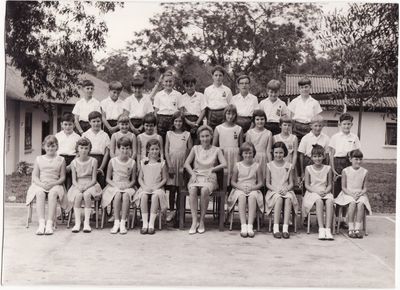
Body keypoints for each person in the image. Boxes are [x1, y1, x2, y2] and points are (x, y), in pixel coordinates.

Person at [184, 125, 227, 234]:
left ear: (211, 136)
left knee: (204, 190)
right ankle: (194, 221)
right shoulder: (195, 148)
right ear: (199, 137)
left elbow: (224, 163)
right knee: (192, 190)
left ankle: (202, 220)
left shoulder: (217, 150)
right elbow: (186, 164)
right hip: (197, 176)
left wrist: (213, 168)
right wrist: (192, 174)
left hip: (210, 177)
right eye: (202, 136)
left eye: (207, 136)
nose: (205, 139)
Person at [26, 135, 66, 235]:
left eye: (53, 146)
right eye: (48, 146)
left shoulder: (61, 159)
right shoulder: (39, 159)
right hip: (41, 184)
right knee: (40, 193)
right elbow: (35, 176)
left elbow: (62, 178)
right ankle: (41, 223)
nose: (50, 148)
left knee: (52, 193)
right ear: (43, 146)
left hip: (55, 184)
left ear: (57, 147)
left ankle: (49, 223)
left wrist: (53, 183)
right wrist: (41, 184)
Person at [228, 142, 263, 238]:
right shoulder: (238, 165)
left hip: (253, 188)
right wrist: (241, 187)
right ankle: (243, 225)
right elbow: (233, 182)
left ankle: (250, 225)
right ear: (242, 154)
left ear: (253, 153)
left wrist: (252, 188)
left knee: (252, 197)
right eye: (245, 153)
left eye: (250, 153)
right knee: (241, 197)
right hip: (240, 188)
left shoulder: (257, 166)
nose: (248, 155)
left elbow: (260, 183)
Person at [102, 136, 136, 234]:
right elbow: (108, 178)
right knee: (117, 195)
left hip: (127, 185)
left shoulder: (132, 162)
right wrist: (116, 185)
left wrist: (128, 186)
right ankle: (116, 222)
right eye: (122, 148)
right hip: (114, 185)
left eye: (127, 148)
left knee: (125, 196)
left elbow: (133, 180)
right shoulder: (112, 161)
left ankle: (123, 222)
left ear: (130, 149)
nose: (125, 151)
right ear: (118, 148)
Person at [132, 139, 168, 235]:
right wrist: (144, 187)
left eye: (157, 149)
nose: (154, 151)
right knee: (143, 196)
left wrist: (157, 187)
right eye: (152, 149)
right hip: (145, 187)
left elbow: (164, 179)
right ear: (148, 150)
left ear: (160, 150)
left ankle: (151, 224)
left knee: (155, 196)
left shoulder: (162, 163)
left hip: (157, 187)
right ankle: (145, 224)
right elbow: (140, 178)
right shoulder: (144, 162)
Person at [67, 138, 102, 233]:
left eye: (86, 148)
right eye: (81, 148)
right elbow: (74, 180)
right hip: (78, 184)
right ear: (77, 149)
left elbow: (94, 179)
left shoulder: (93, 161)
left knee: (86, 195)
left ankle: (87, 223)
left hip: (91, 184)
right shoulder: (74, 162)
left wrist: (86, 187)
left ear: (89, 149)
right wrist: (78, 187)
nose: (83, 150)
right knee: (78, 196)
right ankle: (77, 223)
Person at [335, 149, 371, 239]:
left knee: (361, 204)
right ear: (350, 159)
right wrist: (352, 194)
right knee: (352, 203)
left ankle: (357, 229)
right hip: (347, 193)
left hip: (360, 194)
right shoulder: (345, 171)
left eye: (360, 159)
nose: (358, 161)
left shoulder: (365, 172)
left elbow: (365, 188)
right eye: (356, 159)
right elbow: (343, 187)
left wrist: (360, 193)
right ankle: (351, 228)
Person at [265, 142, 298, 239]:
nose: (278, 155)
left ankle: (285, 228)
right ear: (273, 153)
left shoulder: (289, 165)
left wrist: (286, 189)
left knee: (288, 199)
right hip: (273, 191)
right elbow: (267, 183)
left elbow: (291, 183)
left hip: (286, 190)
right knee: (279, 199)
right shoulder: (269, 165)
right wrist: (276, 190)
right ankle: (276, 228)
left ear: (285, 153)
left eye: (280, 153)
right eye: (276, 153)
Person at [165, 111, 193, 224]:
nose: (178, 123)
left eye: (180, 121)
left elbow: (190, 151)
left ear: (183, 122)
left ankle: (179, 211)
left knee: (180, 189)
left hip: (182, 165)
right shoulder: (169, 134)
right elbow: (166, 151)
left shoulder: (187, 134)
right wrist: (169, 165)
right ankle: (171, 210)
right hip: (171, 164)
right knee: (172, 189)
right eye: (176, 121)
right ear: (173, 122)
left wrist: (185, 165)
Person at [302, 145, 334, 240]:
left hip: (325, 191)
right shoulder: (308, 168)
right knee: (319, 201)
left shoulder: (328, 168)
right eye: (315, 156)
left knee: (329, 201)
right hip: (312, 192)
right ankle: (321, 228)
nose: (317, 158)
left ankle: (327, 229)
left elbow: (329, 185)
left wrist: (325, 191)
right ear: (311, 157)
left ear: (324, 156)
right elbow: (307, 185)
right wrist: (316, 192)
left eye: (320, 156)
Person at [329, 113, 361, 198]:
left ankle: (347, 204)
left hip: (350, 162)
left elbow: (357, 153)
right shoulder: (335, 137)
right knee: (337, 185)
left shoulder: (355, 137)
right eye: (344, 124)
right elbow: (331, 154)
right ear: (340, 124)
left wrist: (356, 165)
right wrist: (333, 169)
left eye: (348, 124)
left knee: (349, 184)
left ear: (351, 124)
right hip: (338, 162)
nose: (346, 126)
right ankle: (336, 205)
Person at [212, 104, 243, 186]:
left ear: (235, 115)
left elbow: (241, 146)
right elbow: (214, 146)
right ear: (225, 114)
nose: (230, 116)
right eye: (228, 113)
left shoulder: (238, 128)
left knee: (234, 175)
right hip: (223, 155)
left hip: (235, 155)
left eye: (233, 114)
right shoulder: (218, 128)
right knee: (223, 175)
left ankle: (232, 194)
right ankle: (223, 194)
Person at [287, 77, 322, 142]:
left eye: (306, 87)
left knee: (308, 147)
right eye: (302, 87)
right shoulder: (295, 101)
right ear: (299, 88)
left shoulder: (315, 102)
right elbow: (290, 117)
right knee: (296, 146)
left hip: (309, 128)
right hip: (296, 128)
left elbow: (317, 119)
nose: (304, 89)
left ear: (310, 87)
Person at [82, 111, 110, 188]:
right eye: (93, 121)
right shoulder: (85, 134)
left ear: (101, 121)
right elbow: (81, 151)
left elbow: (107, 153)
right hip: (88, 160)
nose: (96, 124)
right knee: (88, 182)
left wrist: (101, 167)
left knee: (99, 183)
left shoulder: (105, 135)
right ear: (89, 122)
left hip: (100, 160)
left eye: (98, 121)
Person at [298, 115, 330, 181]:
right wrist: (302, 172)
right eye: (315, 126)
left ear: (323, 126)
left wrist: (326, 169)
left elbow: (327, 155)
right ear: (311, 126)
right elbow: (301, 155)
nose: (318, 128)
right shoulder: (305, 138)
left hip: (321, 163)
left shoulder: (326, 138)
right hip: (308, 162)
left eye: (320, 126)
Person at [153, 71, 182, 141]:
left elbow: (180, 111)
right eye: (166, 81)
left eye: (170, 81)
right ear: (162, 82)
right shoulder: (158, 95)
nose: (168, 83)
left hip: (173, 121)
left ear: (173, 82)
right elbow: (155, 113)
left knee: (172, 141)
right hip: (161, 121)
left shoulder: (178, 95)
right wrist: (155, 127)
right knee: (161, 141)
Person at [55, 112, 80, 190]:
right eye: (65, 124)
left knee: (70, 181)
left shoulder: (77, 137)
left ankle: (69, 195)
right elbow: (55, 151)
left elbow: (78, 153)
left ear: (74, 125)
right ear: (61, 124)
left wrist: (71, 165)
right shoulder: (57, 136)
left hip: (72, 160)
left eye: (70, 124)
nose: (67, 127)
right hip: (59, 159)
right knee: (60, 181)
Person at [245, 109, 273, 179]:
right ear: (254, 121)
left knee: (263, 178)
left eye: (262, 119)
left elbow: (268, 151)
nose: (260, 121)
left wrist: (271, 165)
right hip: (252, 158)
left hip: (263, 158)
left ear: (265, 120)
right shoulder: (249, 133)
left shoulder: (268, 133)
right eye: (257, 119)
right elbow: (247, 149)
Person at [179, 74, 206, 143]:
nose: (189, 88)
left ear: (195, 85)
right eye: (187, 86)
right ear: (184, 86)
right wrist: (188, 122)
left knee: (197, 142)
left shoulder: (200, 96)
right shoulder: (182, 97)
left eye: (191, 86)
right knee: (187, 143)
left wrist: (196, 124)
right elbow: (181, 113)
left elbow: (203, 111)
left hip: (198, 121)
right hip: (186, 122)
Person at [203, 65, 233, 130]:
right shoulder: (207, 90)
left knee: (223, 133)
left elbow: (230, 105)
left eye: (220, 75)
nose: (218, 77)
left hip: (223, 114)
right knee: (212, 134)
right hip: (211, 114)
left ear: (223, 77)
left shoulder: (227, 90)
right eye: (216, 75)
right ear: (212, 76)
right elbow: (205, 106)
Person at [273, 116, 298, 182]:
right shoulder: (275, 138)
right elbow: (273, 153)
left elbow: (295, 154)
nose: (287, 127)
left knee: (289, 182)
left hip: (289, 162)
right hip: (278, 163)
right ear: (280, 126)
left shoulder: (294, 138)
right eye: (285, 125)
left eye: (289, 125)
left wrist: (292, 166)